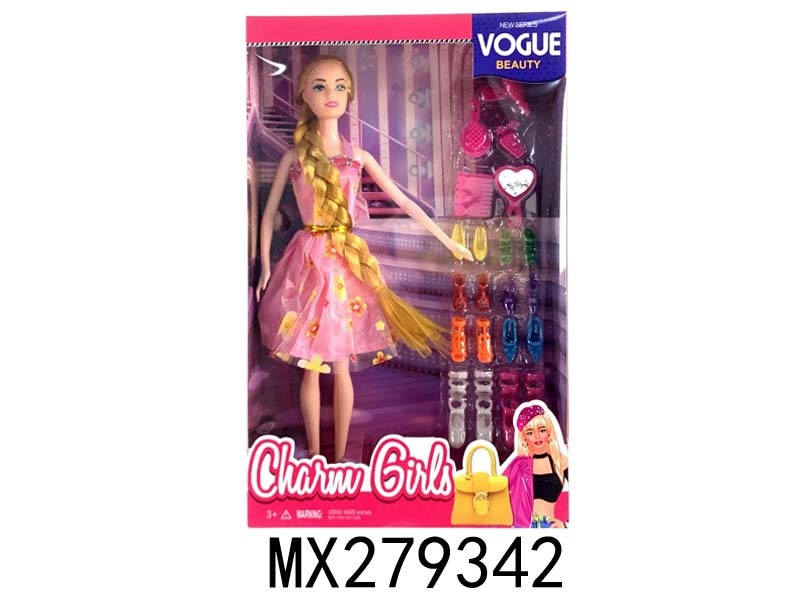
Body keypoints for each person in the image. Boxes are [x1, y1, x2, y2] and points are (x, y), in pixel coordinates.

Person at [255, 55, 472, 462]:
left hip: (347, 264)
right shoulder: (295, 157)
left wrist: (448, 241)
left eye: (339, 86)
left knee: (341, 366)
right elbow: (267, 215)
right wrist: (266, 264)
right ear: (304, 95)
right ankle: (315, 457)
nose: (331, 94)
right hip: (308, 263)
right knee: (310, 367)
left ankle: (339, 460)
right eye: (320, 86)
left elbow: (403, 202)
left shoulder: (359, 157)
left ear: (350, 94)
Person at [502, 400, 569, 527]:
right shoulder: (519, 465)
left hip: (550, 527)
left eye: (542, 430)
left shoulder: (561, 462)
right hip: (522, 528)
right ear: (524, 438)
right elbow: (497, 490)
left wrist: (565, 524)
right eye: (530, 433)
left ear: (549, 432)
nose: (537, 436)